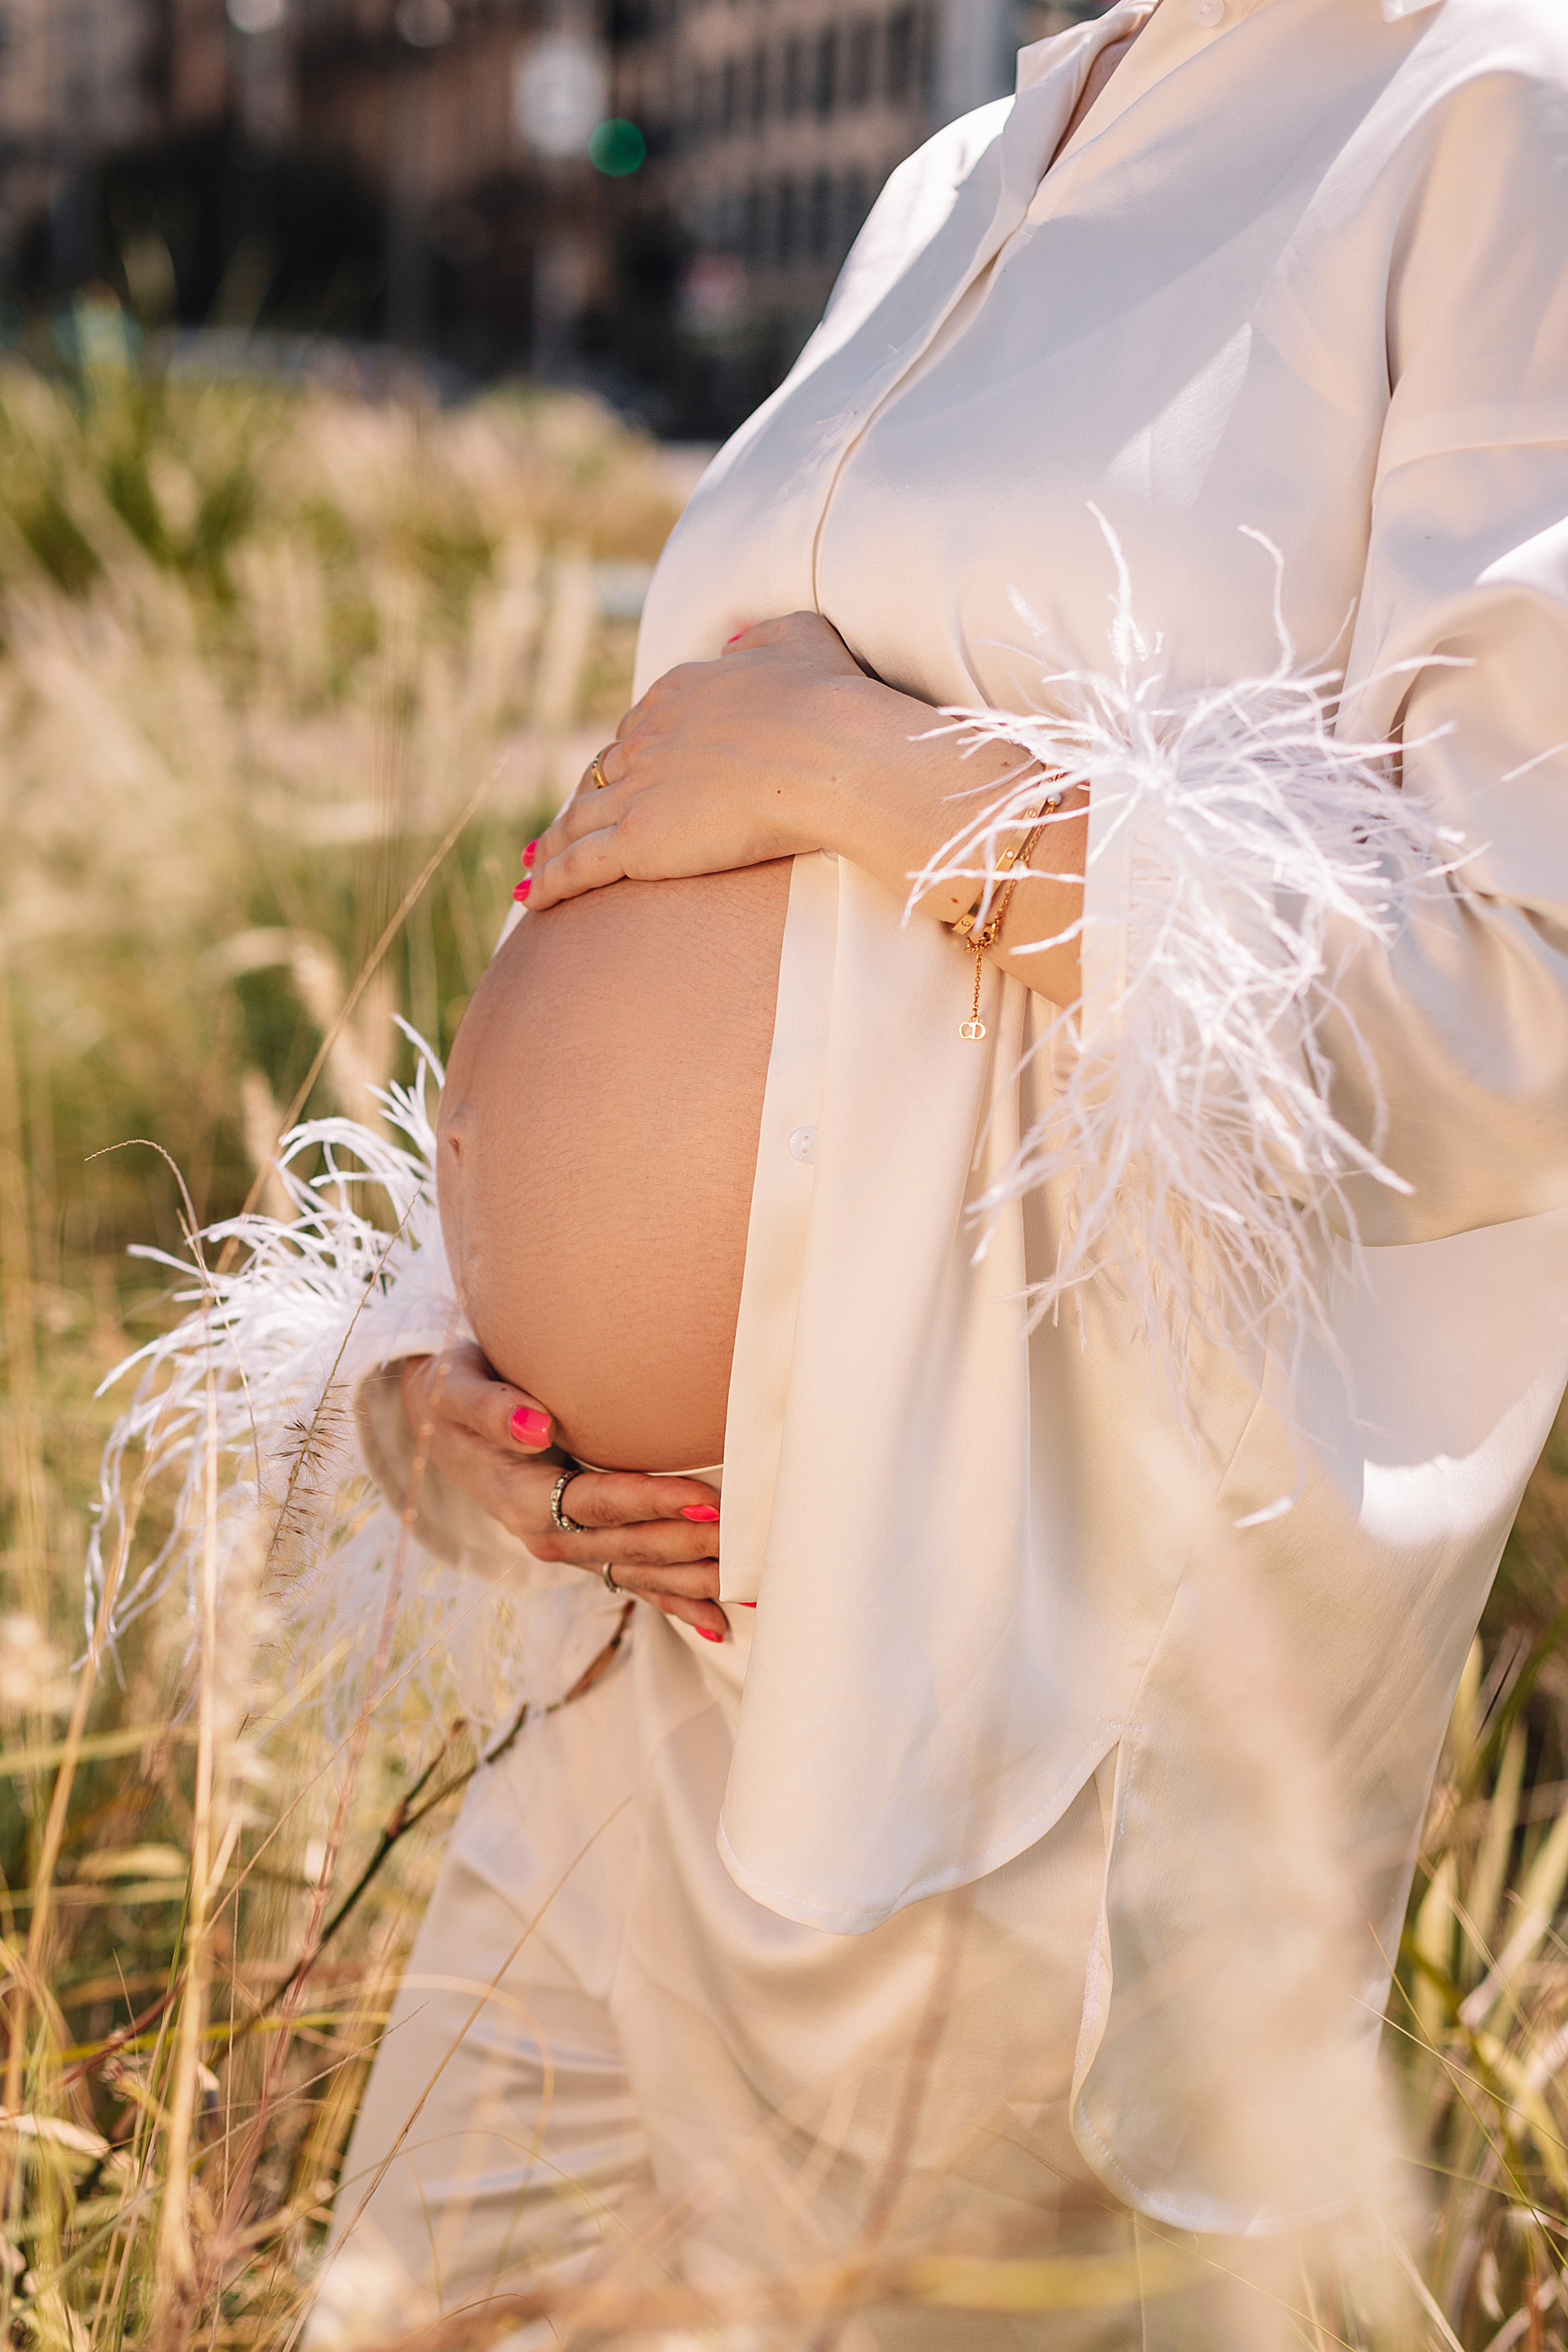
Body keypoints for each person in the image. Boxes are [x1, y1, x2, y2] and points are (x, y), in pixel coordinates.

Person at [110, 1, 1568, 2345]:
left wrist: (869, 775)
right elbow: (734, 890)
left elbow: (1520, 998)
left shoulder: (1495, 111)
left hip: (1002, 1720)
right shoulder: (966, 166)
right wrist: (472, 1361)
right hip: (626, 1667)